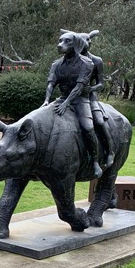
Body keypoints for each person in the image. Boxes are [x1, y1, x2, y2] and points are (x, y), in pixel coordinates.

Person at [43, 31, 102, 178]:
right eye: (60, 41)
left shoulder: (87, 63)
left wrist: (67, 103)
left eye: (66, 42)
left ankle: (95, 162)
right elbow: (51, 84)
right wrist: (46, 100)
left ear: (76, 44)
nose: (60, 45)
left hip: (80, 100)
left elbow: (79, 87)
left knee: (88, 128)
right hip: (62, 98)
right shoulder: (56, 64)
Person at [71, 29, 115, 169]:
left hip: (89, 99)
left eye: (87, 41)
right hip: (72, 97)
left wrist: (91, 89)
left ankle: (110, 152)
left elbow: (101, 83)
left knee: (100, 122)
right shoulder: (72, 60)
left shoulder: (96, 61)